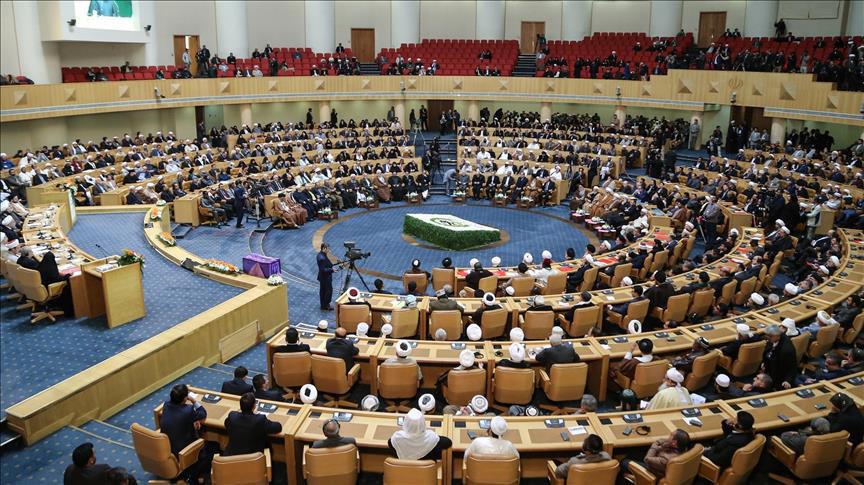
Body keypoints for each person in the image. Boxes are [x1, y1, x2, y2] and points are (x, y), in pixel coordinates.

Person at [159, 384, 208, 482]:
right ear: (185, 398)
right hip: (182, 451)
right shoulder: (188, 410)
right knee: (209, 450)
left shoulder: (166, 405)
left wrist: (192, 421)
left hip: (167, 447)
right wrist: (194, 401)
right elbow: (203, 413)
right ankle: (193, 476)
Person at [388, 408, 453, 460]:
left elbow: (390, 443)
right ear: (423, 422)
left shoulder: (395, 439)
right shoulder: (431, 438)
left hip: (402, 470)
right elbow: (448, 442)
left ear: (406, 422)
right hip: (427, 471)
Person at [626, 429, 691, 479]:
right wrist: (665, 443)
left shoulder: (665, 459)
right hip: (658, 463)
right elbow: (663, 440)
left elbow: (647, 459)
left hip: (653, 472)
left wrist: (656, 444)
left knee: (624, 461)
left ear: (674, 443)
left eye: (671, 435)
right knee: (633, 453)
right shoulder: (683, 448)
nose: (668, 436)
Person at [37, 251, 74, 315]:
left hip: (42, 285)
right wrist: (68, 275)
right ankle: (68, 309)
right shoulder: (50, 268)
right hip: (49, 287)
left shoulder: (41, 265)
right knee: (68, 283)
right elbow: (57, 278)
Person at [761, 324, 797, 389]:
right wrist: (764, 362)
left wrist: (787, 381)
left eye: (769, 336)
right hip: (769, 368)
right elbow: (768, 350)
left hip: (779, 375)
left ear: (777, 336)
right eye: (767, 335)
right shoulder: (773, 338)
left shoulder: (786, 350)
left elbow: (792, 367)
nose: (767, 338)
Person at [317, 243, 335, 310]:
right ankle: (326, 305)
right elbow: (323, 269)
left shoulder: (321, 255)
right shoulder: (322, 258)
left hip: (323, 277)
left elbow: (327, 264)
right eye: (328, 249)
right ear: (324, 248)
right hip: (325, 277)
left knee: (323, 291)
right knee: (328, 291)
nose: (329, 250)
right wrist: (332, 270)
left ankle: (323, 305)